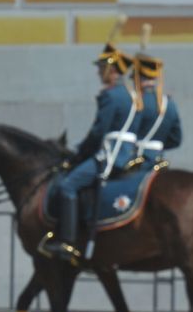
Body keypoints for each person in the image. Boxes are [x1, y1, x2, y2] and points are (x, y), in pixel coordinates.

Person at [41, 38, 138, 267]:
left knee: (67, 185)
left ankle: (68, 242)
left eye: (102, 69)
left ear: (113, 71)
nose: (99, 74)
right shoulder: (134, 97)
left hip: (111, 154)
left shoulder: (111, 95)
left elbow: (98, 132)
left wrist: (78, 154)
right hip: (129, 153)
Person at [129, 51, 181, 172]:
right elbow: (176, 139)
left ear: (138, 78)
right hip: (158, 158)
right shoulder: (169, 104)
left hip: (136, 159)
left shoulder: (134, 102)